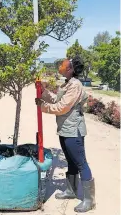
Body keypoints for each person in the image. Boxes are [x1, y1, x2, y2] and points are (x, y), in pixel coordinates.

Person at [35, 56, 96, 213]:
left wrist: (43, 106)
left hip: (73, 130)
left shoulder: (75, 85)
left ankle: (89, 201)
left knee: (81, 162)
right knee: (71, 161)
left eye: (63, 64)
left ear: (70, 69)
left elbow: (62, 107)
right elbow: (57, 99)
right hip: (65, 128)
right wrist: (44, 92)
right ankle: (71, 191)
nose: (60, 66)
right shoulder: (67, 83)